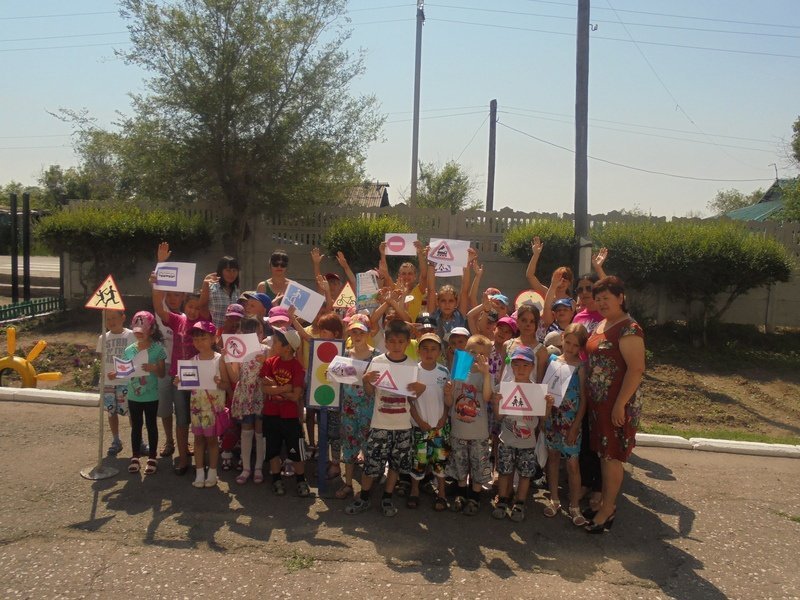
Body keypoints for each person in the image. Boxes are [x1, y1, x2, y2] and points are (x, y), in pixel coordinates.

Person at [585, 276, 645, 533]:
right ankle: (604, 502)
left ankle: (609, 508)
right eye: (597, 299)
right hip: (598, 405)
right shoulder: (602, 324)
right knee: (603, 454)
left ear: (620, 297)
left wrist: (620, 404)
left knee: (612, 457)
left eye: (606, 298)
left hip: (616, 404)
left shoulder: (629, 328)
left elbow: (636, 369)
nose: (601, 303)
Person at [346, 320, 424, 517]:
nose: (396, 345)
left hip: (402, 425)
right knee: (372, 464)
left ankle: (387, 498)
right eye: (392, 341)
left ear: (407, 343)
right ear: (386, 343)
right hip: (380, 423)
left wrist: (419, 391)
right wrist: (366, 381)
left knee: (396, 465)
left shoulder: (412, 365)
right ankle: (364, 497)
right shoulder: (378, 361)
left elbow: (412, 397)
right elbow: (371, 392)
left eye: (401, 342)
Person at [152, 242, 205, 475]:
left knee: (198, 419)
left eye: (197, 307)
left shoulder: (205, 326)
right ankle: (183, 458)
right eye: (190, 306)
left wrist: (206, 287)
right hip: (176, 377)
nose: (193, 311)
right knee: (181, 417)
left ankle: (200, 460)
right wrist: (159, 269)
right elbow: (158, 306)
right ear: (185, 305)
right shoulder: (177, 320)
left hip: (198, 378)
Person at [491, 346, 554, 522]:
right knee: (504, 472)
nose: (520, 369)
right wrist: (497, 403)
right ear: (511, 367)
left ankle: (520, 502)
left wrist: (547, 406)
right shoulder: (504, 388)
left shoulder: (537, 391)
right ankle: (503, 500)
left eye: (525, 366)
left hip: (528, 443)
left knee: (525, 474)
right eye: (517, 365)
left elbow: (543, 418)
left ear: (532, 367)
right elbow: (498, 417)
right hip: (506, 440)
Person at [543, 323, 589, 526]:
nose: (570, 348)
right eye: (567, 342)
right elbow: (545, 389)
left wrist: (576, 425)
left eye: (575, 345)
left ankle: (574, 505)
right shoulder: (553, 360)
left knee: (572, 464)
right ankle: (553, 498)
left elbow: (584, 399)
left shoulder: (580, 367)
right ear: (562, 338)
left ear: (581, 348)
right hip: (553, 419)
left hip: (570, 422)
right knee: (553, 458)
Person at [110, 311, 166, 476]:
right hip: (133, 395)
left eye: (143, 330)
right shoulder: (129, 350)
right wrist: (116, 373)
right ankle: (135, 456)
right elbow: (125, 369)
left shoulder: (158, 349)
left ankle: (152, 457)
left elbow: (162, 373)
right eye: (136, 331)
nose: (139, 334)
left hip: (151, 396)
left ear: (151, 330)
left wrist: (154, 368)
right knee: (136, 426)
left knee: (151, 425)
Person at [445, 334, 494, 516]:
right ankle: (461, 492)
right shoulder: (459, 370)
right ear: (465, 351)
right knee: (460, 463)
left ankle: (475, 495)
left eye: (481, 354)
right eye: (472, 352)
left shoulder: (486, 375)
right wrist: (448, 393)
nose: (475, 357)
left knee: (478, 464)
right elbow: (450, 402)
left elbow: (488, 397)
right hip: (459, 429)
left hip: (478, 432)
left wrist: (486, 374)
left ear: (487, 357)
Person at [178, 320, 230, 488]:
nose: (199, 342)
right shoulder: (193, 360)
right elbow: (188, 385)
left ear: (214, 339)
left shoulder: (219, 359)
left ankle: (213, 472)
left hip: (213, 409)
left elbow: (227, 385)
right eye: (196, 339)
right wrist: (179, 380)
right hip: (197, 407)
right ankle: (199, 472)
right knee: (198, 440)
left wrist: (219, 382)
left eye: (203, 338)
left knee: (212, 441)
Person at [260, 328, 309, 497]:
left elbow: (296, 396)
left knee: (296, 451)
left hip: (290, 416)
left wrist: (275, 387)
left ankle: (301, 480)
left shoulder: (297, 367)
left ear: (287, 347)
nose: (273, 344)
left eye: (276, 342)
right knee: (272, 450)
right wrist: (285, 388)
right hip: (271, 413)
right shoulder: (269, 362)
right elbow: (264, 387)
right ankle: (275, 478)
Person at [336, 314, 380, 499]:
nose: (358, 335)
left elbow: (379, 386)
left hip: (369, 408)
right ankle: (347, 484)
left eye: (361, 331)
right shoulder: (344, 355)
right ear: (350, 334)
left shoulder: (376, 356)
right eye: (354, 331)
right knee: (349, 444)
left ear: (369, 333)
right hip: (349, 407)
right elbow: (338, 380)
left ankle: (366, 486)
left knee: (368, 444)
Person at [408, 332, 452, 511]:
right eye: (425, 348)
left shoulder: (444, 372)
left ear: (440, 352)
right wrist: (419, 420)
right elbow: (409, 401)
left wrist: (443, 418)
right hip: (419, 427)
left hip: (440, 427)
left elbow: (448, 401)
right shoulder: (413, 371)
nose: (429, 352)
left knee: (440, 460)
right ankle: (414, 491)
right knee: (418, 460)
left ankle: (441, 493)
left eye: (433, 349)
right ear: (418, 351)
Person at [226, 317, 268, 485]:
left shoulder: (267, 350)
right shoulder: (239, 351)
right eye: (253, 332)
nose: (258, 335)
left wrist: (265, 363)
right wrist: (228, 360)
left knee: (260, 431)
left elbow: (269, 374)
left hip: (260, 394)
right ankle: (246, 468)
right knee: (246, 429)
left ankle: (258, 467)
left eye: (260, 332)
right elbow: (235, 376)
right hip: (244, 393)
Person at [96, 309, 135, 456]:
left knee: (132, 412)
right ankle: (116, 440)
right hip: (108, 382)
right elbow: (102, 358)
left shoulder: (131, 336)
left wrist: (120, 372)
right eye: (107, 319)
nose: (111, 322)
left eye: (114, 318)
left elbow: (135, 358)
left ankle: (138, 440)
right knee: (111, 412)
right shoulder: (103, 338)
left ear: (123, 317)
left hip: (126, 381)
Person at [200, 256, 241, 329]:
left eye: (234, 270)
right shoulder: (211, 287)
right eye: (228, 270)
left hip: (231, 335)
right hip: (214, 333)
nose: (231, 274)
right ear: (221, 271)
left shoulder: (236, 289)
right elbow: (202, 307)